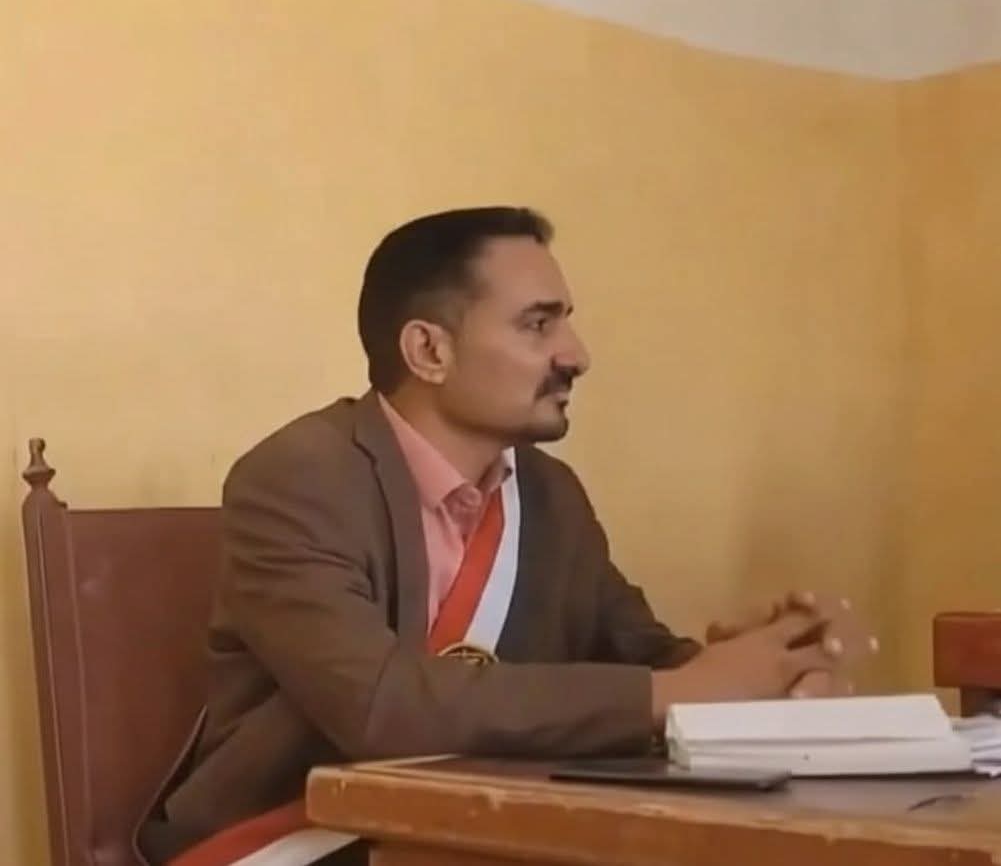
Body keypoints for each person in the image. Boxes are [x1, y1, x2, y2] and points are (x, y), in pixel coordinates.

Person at [138, 207, 875, 866]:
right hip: (295, 837)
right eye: (537, 324)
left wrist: (763, 668)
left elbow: (637, 661)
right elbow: (380, 708)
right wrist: (686, 689)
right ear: (429, 351)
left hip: (476, 827)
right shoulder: (299, 477)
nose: (576, 354)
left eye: (566, 322)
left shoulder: (551, 494)